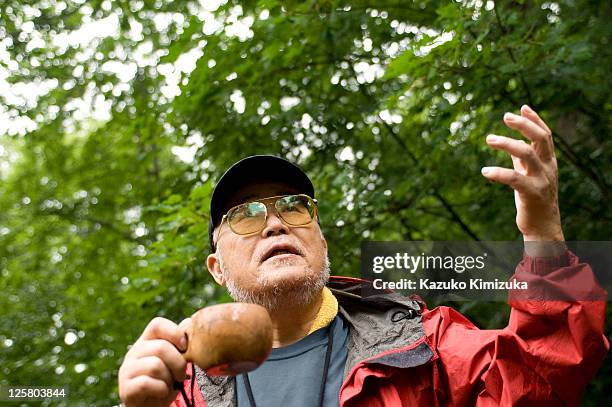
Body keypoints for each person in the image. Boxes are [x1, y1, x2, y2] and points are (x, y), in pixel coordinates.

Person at [117, 105, 608, 407]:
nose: (275, 222)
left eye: (294, 207)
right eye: (245, 215)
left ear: (322, 243)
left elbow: (536, 383)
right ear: (216, 268)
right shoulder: (179, 388)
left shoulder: (423, 342)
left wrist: (543, 233)